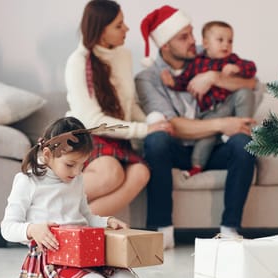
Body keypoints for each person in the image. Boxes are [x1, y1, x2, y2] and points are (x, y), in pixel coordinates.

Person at [135, 5, 259, 249]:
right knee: (156, 139)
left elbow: (252, 83)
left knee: (244, 144)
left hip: (212, 147)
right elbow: (173, 126)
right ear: (165, 45)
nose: (193, 41)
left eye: (192, 33)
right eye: (184, 37)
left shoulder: (206, 55)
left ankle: (230, 228)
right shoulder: (148, 78)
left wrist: (214, 77)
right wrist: (224, 123)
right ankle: (162, 229)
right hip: (176, 149)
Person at [1, 117, 141, 278]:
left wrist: (106, 222)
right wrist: (32, 229)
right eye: (70, 164)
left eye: (82, 164)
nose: (76, 172)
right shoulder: (28, 180)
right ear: (48, 154)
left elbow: (85, 217)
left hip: (86, 253)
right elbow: (7, 227)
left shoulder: (76, 179)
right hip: (53, 260)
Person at [64, 0, 173, 217]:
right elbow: (92, 121)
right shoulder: (78, 63)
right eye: (118, 25)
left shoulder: (123, 56)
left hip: (118, 136)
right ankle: (46, 204)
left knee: (141, 173)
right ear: (101, 32)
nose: (126, 29)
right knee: (110, 173)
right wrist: (143, 130)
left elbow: (129, 104)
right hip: (88, 135)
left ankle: (73, 225)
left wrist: (152, 124)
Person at [160, 20, 257, 177]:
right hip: (210, 112)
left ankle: (243, 128)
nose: (226, 45)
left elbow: (251, 68)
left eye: (230, 41)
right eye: (220, 40)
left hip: (228, 105)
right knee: (206, 137)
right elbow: (184, 81)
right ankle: (197, 166)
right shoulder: (196, 63)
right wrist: (172, 83)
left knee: (245, 93)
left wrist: (237, 68)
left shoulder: (232, 59)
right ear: (205, 43)